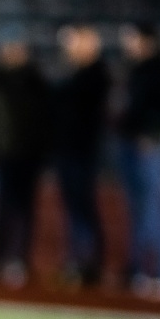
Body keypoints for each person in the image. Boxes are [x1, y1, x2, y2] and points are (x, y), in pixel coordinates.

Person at [0, 27, 48, 288]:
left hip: (28, 154)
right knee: (3, 207)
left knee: (24, 208)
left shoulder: (35, 81)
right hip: (4, 153)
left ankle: (19, 259)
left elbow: (43, 119)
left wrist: (41, 150)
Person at [118, 21, 160, 302]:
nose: (126, 44)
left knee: (153, 209)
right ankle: (139, 270)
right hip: (130, 144)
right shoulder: (137, 69)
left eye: (131, 38)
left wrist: (151, 134)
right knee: (137, 210)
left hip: (148, 148)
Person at [51, 24, 110, 287]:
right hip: (69, 151)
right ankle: (79, 260)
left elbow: (74, 108)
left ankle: (87, 263)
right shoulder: (78, 74)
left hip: (80, 152)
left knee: (82, 209)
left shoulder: (93, 76)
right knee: (75, 209)